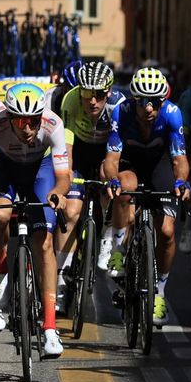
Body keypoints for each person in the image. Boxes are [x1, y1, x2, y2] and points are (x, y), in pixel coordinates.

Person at [0, 82, 71, 357]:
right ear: (10, 117)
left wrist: (57, 194)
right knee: (1, 212)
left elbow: (63, 176)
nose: (27, 128)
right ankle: (0, 274)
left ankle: (50, 328)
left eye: (33, 121)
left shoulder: (53, 123)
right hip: (7, 170)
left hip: (40, 171)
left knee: (44, 243)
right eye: (21, 121)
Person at [101, 67, 191, 326]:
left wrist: (181, 182)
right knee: (124, 188)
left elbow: (180, 159)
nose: (149, 108)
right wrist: (113, 180)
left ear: (163, 101)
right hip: (131, 163)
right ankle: (118, 246)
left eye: (155, 102)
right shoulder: (122, 112)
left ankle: (160, 290)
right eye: (143, 102)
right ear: (134, 100)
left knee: (166, 231)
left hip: (159, 163)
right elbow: (111, 159)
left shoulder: (173, 114)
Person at [56, 60, 117, 310]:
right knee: (71, 212)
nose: (92, 101)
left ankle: (108, 233)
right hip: (80, 151)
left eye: (99, 95)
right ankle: (60, 281)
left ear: (109, 92)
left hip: (105, 153)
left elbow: (116, 153)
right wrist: (67, 176)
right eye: (86, 94)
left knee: (107, 177)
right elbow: (67, 145)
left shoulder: (118, 106)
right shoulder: (70, 101)